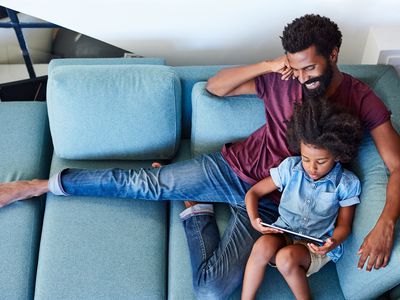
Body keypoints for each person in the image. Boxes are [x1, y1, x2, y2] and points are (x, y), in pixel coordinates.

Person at [0, 14, 399, 299]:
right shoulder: (281, 79)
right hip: (232, 170)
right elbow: (215, 88)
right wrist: (268, 65)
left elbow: (397, 166)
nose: (302, 78)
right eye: (295, 69)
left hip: (276, 208)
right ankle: (40, 185)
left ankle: (198, 212)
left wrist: (385, 221)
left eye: (310, 67)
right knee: (145, 185)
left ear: (334, 52)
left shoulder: (362, 100)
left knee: (211, 290)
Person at [241, 97, 363, 300]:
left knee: (285, 258)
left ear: (339, 155)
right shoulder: (291, 168)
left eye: (321, 161)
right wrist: (255, 221)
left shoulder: (346, 183)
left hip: (315, 246)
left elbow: (344, 225)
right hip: (285, 232)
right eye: (306, 159)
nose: (312, 168)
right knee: (262, 245)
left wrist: (333, 241)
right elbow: (253, 193)